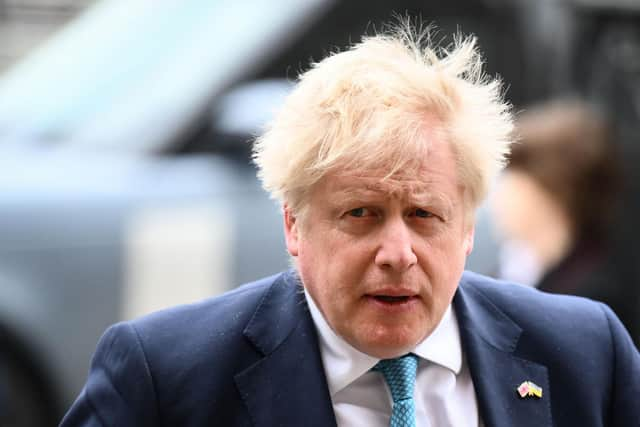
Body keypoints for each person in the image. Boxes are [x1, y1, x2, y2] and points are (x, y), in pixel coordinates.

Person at [60, 25, 639, 427]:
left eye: (424, 215)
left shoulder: (585, 354)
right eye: (361, 214)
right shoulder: (167, 377)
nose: (397, 252)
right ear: (294, 224)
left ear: (466, 227)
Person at [490, 100, 639, 345]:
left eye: (511, 178)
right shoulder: (526, 269)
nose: (498, 195)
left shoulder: (590, 295)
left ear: (548, 192)